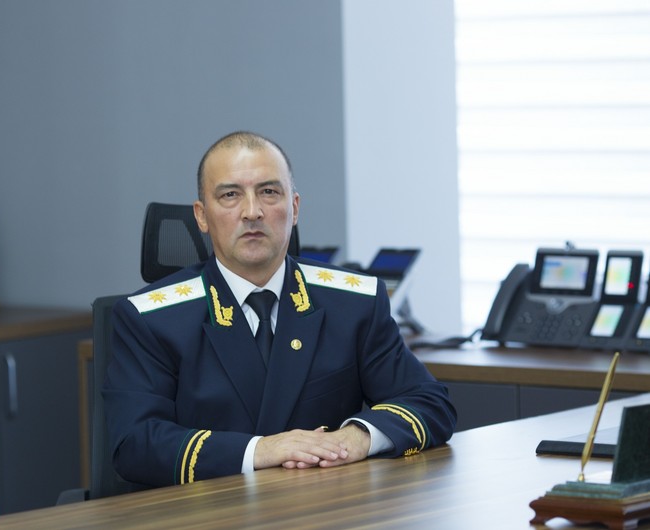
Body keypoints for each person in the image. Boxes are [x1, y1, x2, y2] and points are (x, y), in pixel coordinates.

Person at [102, 131, 456, 488]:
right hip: (209, 509)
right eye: (230, 195)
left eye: (269, 192)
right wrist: (262, 450)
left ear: (295, 208)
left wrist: (357, 436)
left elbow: (429, 403)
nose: (252, 212)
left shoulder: (353, 303)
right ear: (202, 216)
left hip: (324, 505)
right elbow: (135, 444)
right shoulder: (150, 319)